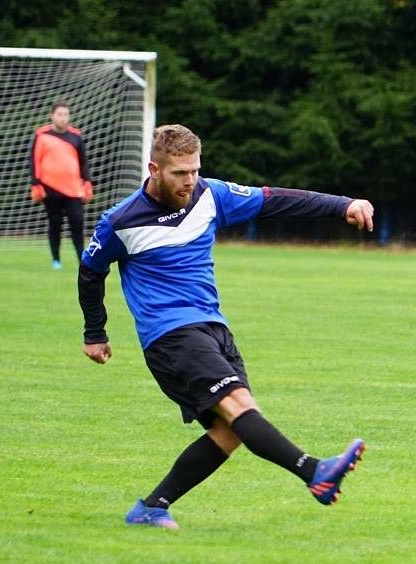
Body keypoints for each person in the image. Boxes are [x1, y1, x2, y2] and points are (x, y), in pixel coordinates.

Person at [78, 124, 374, 529]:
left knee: (230, 431)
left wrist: (343, 204)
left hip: (213, 327)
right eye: (179, 173)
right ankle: (315, 472)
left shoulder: (209, 194)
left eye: (195, 170)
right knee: (240, 409)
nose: (189, 181)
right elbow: (90, 271)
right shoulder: (121, 221)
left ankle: (151, 507)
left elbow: (275, 201)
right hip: (170, 336)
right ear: (154, 168)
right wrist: (95, 332)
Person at [29, 101, 93, 270]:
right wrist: (36, 184)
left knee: (77, 223)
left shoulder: (76, 136)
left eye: (66, 114)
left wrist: (87, 182)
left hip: (73, 188)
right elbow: (34, 161)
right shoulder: (42, 135)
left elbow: (83, 162)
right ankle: (56, 260)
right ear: (52, 116)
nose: (63, 118)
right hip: (50, 187)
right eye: (60, 114)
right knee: (55, 223)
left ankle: (82, 260)